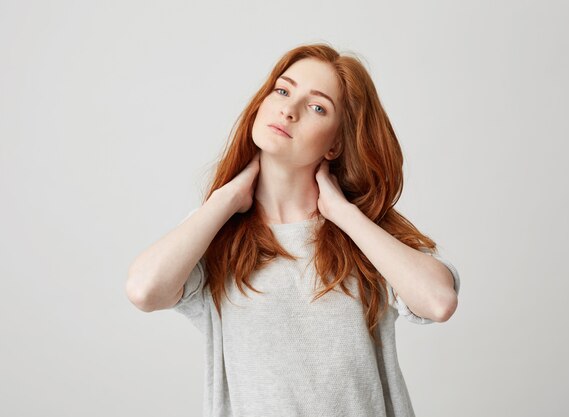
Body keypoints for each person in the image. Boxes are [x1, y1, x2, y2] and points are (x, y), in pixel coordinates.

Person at [126, 43, 461, 417]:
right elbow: (143, 290)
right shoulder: (219, 235)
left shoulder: (365, 235)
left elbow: (438, 301)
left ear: (335, 143)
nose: (289, 109)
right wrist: (226, 199)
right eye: (282, 91)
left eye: (317, 107)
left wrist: (342, 213)